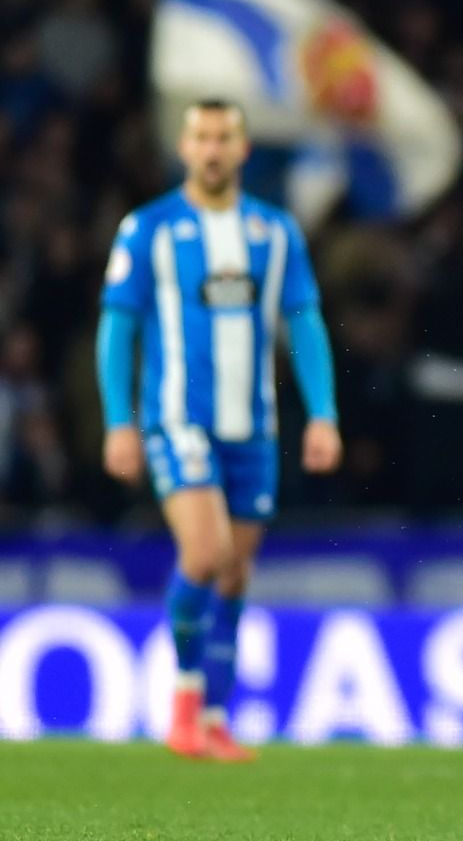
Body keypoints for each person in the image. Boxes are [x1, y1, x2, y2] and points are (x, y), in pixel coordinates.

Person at [97, 99, 341, 760]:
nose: (211, 149)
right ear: (183, 146)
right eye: (201, 136)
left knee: (234, 571)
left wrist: (323, 412)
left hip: (253, 429)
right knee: (203, 555)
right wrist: (119, 421)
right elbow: (117, 326)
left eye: (223, 137)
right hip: (177, 419)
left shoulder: (275, 232)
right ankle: (182, 701)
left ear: (243, 149)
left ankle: (213, 716)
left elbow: (305, 320)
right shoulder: (148, 228)